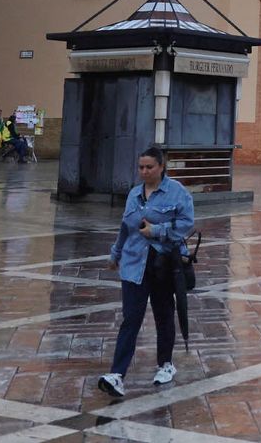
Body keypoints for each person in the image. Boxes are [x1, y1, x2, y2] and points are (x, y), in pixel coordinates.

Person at [99, 146, 194, 398]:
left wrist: (157, 231)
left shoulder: (177, 193)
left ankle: (165, 364)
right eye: (141, 167)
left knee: (164, 314)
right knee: (131, 318)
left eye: (149, 167)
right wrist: (115, 254)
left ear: (162, 167)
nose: (144, 171)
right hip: (133, 265)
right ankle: (117, 374)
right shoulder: (133, 194)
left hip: (162, 265)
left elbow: (185, 225)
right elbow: (125, 228)